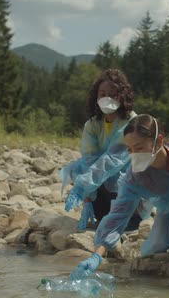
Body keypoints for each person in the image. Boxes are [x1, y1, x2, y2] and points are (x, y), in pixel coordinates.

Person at [70, 114, 169, 280]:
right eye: (129, 150)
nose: (134, 155)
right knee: (152, 250)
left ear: (158, 141)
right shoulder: (136, 175)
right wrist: (97, 255)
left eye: (139, 148)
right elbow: (118, 215)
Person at [59, 69, 147, 231]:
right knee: (77, 168)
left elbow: (114, 158)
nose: (107, 98)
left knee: (123, 178)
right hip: (104, 188)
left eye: (113, 94)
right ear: (96, 97)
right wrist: (87, 198)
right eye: (102, 93)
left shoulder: (133, 122)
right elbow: (88, 160)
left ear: (122, 96)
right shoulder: (92, 125)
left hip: (129, 188)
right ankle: (101, 213)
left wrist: (82, 186)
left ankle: (131, 218)